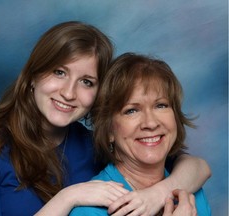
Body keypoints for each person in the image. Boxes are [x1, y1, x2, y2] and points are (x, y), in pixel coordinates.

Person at [0, 21, 210, 216]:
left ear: (98, 95)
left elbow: (194, 167)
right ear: (32, 76)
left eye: (86, 81)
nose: (69, 92)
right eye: (59, 72)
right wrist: (68, 197)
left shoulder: (93, 144)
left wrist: (157, 195)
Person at [69, 52, 211, 215]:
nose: (150, 123)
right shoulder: (90, 211)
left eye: (161, 105)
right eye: (131, 110)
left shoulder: (192, 191)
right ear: (109, 131)